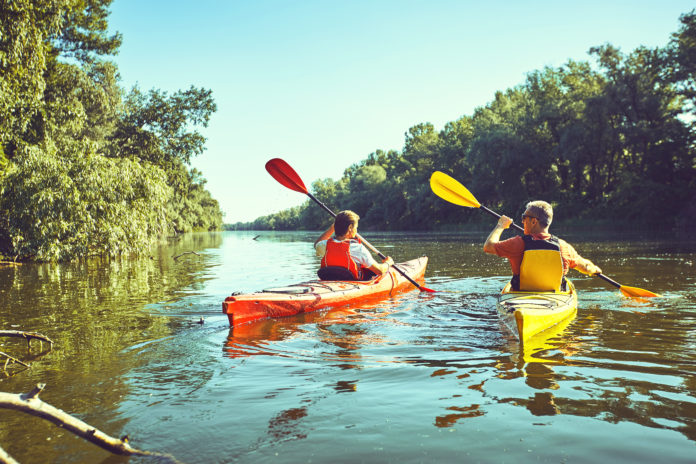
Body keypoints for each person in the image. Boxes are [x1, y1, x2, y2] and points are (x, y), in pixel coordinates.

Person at [483, 200, 602, 291]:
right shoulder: (563, 246)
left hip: (520, 297)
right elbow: (586, 267)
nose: (522, 221)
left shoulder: (517, 243)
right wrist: (595, 269)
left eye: (524, 218)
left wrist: (500, 226)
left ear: (534, 221)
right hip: (554, 300)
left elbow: (488, 247)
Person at [314, 210, 394, 281]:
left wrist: (332, 228)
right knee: (370, 271)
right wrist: (388, 263)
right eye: (356, 227)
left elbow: (316, 244)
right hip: (352, 282)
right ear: (350, 228)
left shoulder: (324, 245)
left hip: (329, 279)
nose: (356, 230)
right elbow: (379, 271)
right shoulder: (358, 248)